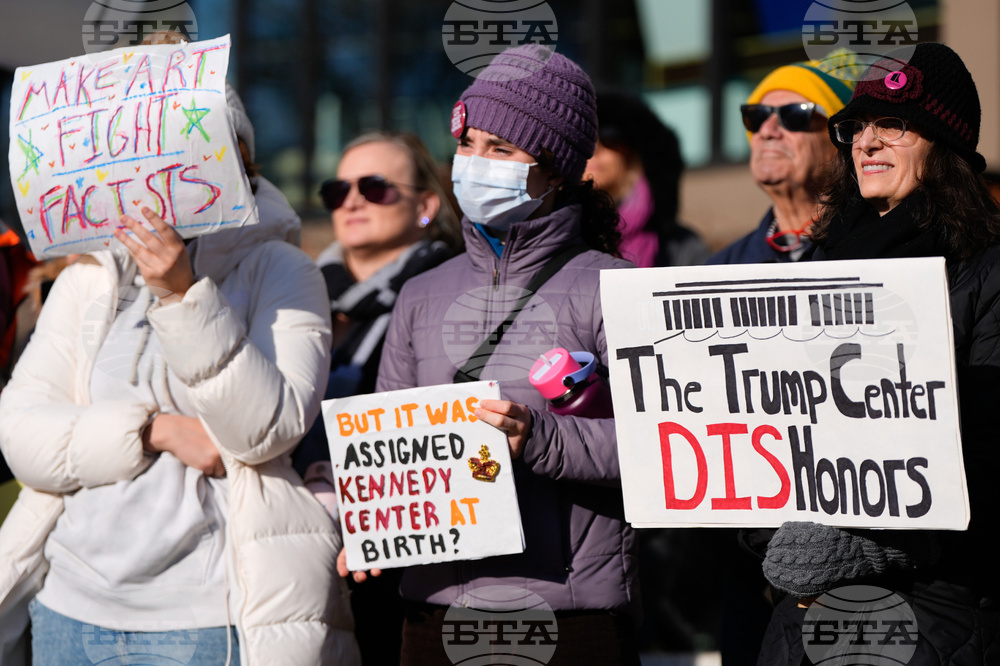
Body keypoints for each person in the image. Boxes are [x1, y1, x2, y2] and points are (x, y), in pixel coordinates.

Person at [0, 89, 360, 664]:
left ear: (236, 158)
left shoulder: (282, 269)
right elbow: (22, 438)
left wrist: (182, 294)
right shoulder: (88, 276)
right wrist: (154, 431)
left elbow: (263, 432)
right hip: (69, 607)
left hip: (209, 615)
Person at [340, 44, 639, 665]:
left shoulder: (615, 288)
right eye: (468, 143)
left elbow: (663, 449)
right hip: (434, 612)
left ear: (556, 170)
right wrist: (370, 526)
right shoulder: (421, 295)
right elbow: (389, 442)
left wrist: (540, 440)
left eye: (502, 150)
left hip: (569, 615)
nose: (475, 163)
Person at [757, 42, 1000, 664]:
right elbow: (764, 423)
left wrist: (884, 545)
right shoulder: (819, 266)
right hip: (801, 619)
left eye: (892, 124)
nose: (865, 142)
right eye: (857, 126)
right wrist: (763, 528)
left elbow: (993, 450)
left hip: (933, 618)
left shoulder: (986, 269)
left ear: (942, 144)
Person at [296, 130, 461, 664]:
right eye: (335, 190)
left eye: (374, 187)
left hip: (400, 569)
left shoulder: (455, 294)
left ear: (425, 205)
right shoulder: (293, 297)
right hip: (295, 549)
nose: (351, 201)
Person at [708, 55, 857, 264]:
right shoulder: (721, 268)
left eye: (794, 114)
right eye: (757, 116)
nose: (767, 131)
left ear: (843, 139)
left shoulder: (878, 250)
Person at [585, 89, 709, 268]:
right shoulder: (554, 238)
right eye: (586, 137)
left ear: (634, 152)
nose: (595, 148)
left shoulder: (681, 247)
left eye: (609, 135)